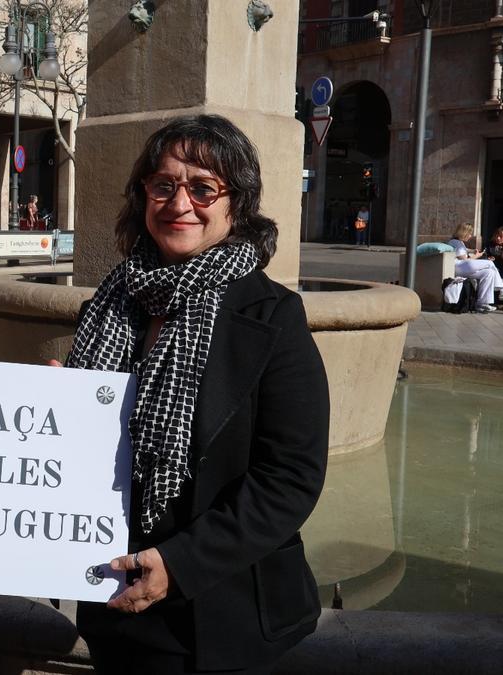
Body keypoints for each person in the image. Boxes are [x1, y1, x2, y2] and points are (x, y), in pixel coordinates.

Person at [64, 114, 330, 674]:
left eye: (203, 188)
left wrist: (178, 563)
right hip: (114, 600)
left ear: (237, 204)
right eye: (163, 185)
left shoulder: (273, 316)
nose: (179, 202)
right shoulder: (109, 306)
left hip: (216, 612)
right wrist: (54, 407)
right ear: (143, 196)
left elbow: (290, 478)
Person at [448, 222, 503, 312]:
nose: (470, 236)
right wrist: (477, 255)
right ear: (464, 233)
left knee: (489, 273)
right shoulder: (455, 242)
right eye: (470, 233)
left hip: (462, 267)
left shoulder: (457, 241)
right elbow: (465, 259)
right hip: (459, 266)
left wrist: (471, 250)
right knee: (489, 263)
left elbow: (463, 251)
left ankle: (482, 303)